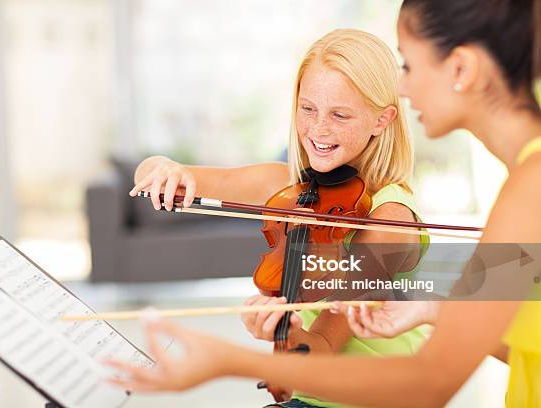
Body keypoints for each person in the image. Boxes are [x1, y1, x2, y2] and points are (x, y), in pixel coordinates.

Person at [108, 0, 541, 406]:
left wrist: (229, 361)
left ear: (461, 67)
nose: (402, 87)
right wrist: (435, 308)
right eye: (308, 108)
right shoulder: (522, 183)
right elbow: (518, 341)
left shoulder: (526, 188)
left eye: (408, 64)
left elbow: (430, 382)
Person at [130, 28, 428, 408]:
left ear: (381, 121)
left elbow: (319, 349)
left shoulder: (391, 221)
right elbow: (149, 173)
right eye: (308, 109)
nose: (319, 128)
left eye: (340, 114)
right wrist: (163, 170)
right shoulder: (289, 187)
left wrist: (287, 333)